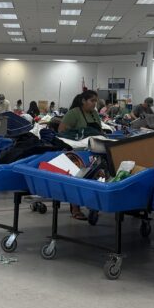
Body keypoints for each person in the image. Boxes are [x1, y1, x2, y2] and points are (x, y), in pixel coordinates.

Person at [58, 90, 103, 220]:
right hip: (77, 153)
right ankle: (75, 208)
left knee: (96, 177)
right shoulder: (74, 113)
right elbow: (61, 131)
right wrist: (77, 134)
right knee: (76, 179)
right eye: (92, 101)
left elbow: (99, 130)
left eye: (96, 101)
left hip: (94, 151)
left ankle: (92, 204)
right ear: (83, 101)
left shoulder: (94, 114)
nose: (94, 104)